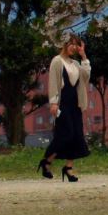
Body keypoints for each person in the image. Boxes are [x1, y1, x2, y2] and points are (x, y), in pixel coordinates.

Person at [39, 34, 90, 181]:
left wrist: (83, 56)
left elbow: (86, 77)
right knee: (65, 134)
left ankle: (68, 168)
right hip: (63, 103)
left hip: (75, 103)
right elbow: (54, 82)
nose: (74, 47)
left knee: (76, 135)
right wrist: (53, 102)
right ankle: (47, 161)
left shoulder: (76, 63)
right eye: (72, 44)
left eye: (76, 45)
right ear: (65, 44)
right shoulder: (57, 61)